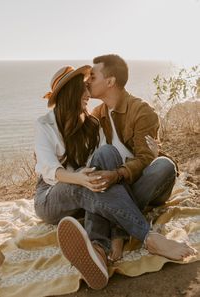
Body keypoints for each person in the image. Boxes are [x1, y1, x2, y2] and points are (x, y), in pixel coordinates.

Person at [34, 65, 197, 290]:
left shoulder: (92, 124)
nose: (88, 94)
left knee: (107, 156)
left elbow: (106, 163)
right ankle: (147, 237)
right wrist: (81, 179)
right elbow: (50, 170)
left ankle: (98, 250)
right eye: (83, 89)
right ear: (70, 93)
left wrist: (147, 156)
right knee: (89, 186)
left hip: (88, 190)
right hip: (52, 195)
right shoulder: (45, 125)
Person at [86, 54, 180, 260]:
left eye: (92, 77)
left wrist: (118, 175)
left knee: (164, 165)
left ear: (110, 81)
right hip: (116, 187)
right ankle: (99, 247)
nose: (87, 81)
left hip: (145, 183)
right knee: (101, 162)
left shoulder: (141, 111)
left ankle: (116, 232)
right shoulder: (96, 114)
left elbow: (146, 158)